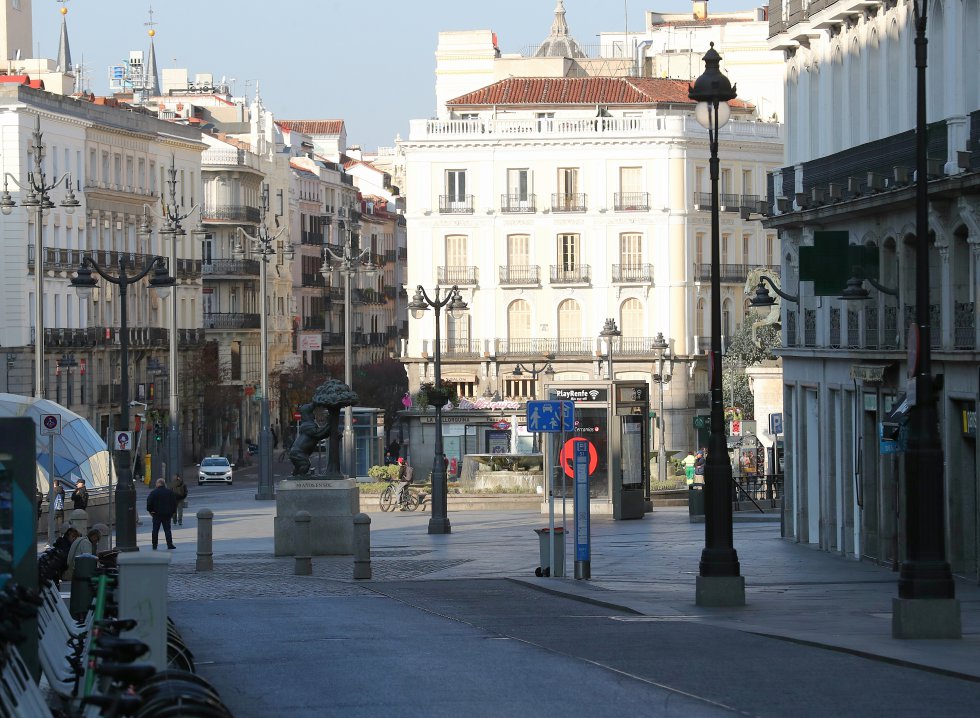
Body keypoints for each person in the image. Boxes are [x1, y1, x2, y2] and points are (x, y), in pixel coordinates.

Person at [146, 478, 177, 550]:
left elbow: (149, 503)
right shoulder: (170, 492)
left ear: (158, 484)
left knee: (155, 530)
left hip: (156, 514)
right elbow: (174, 503)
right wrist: (172, 512)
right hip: (167, 514)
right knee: (167, 530)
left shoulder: (154, 492)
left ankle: (154, 545)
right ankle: (169, 544)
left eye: (156, 483)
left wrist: (151, 511)